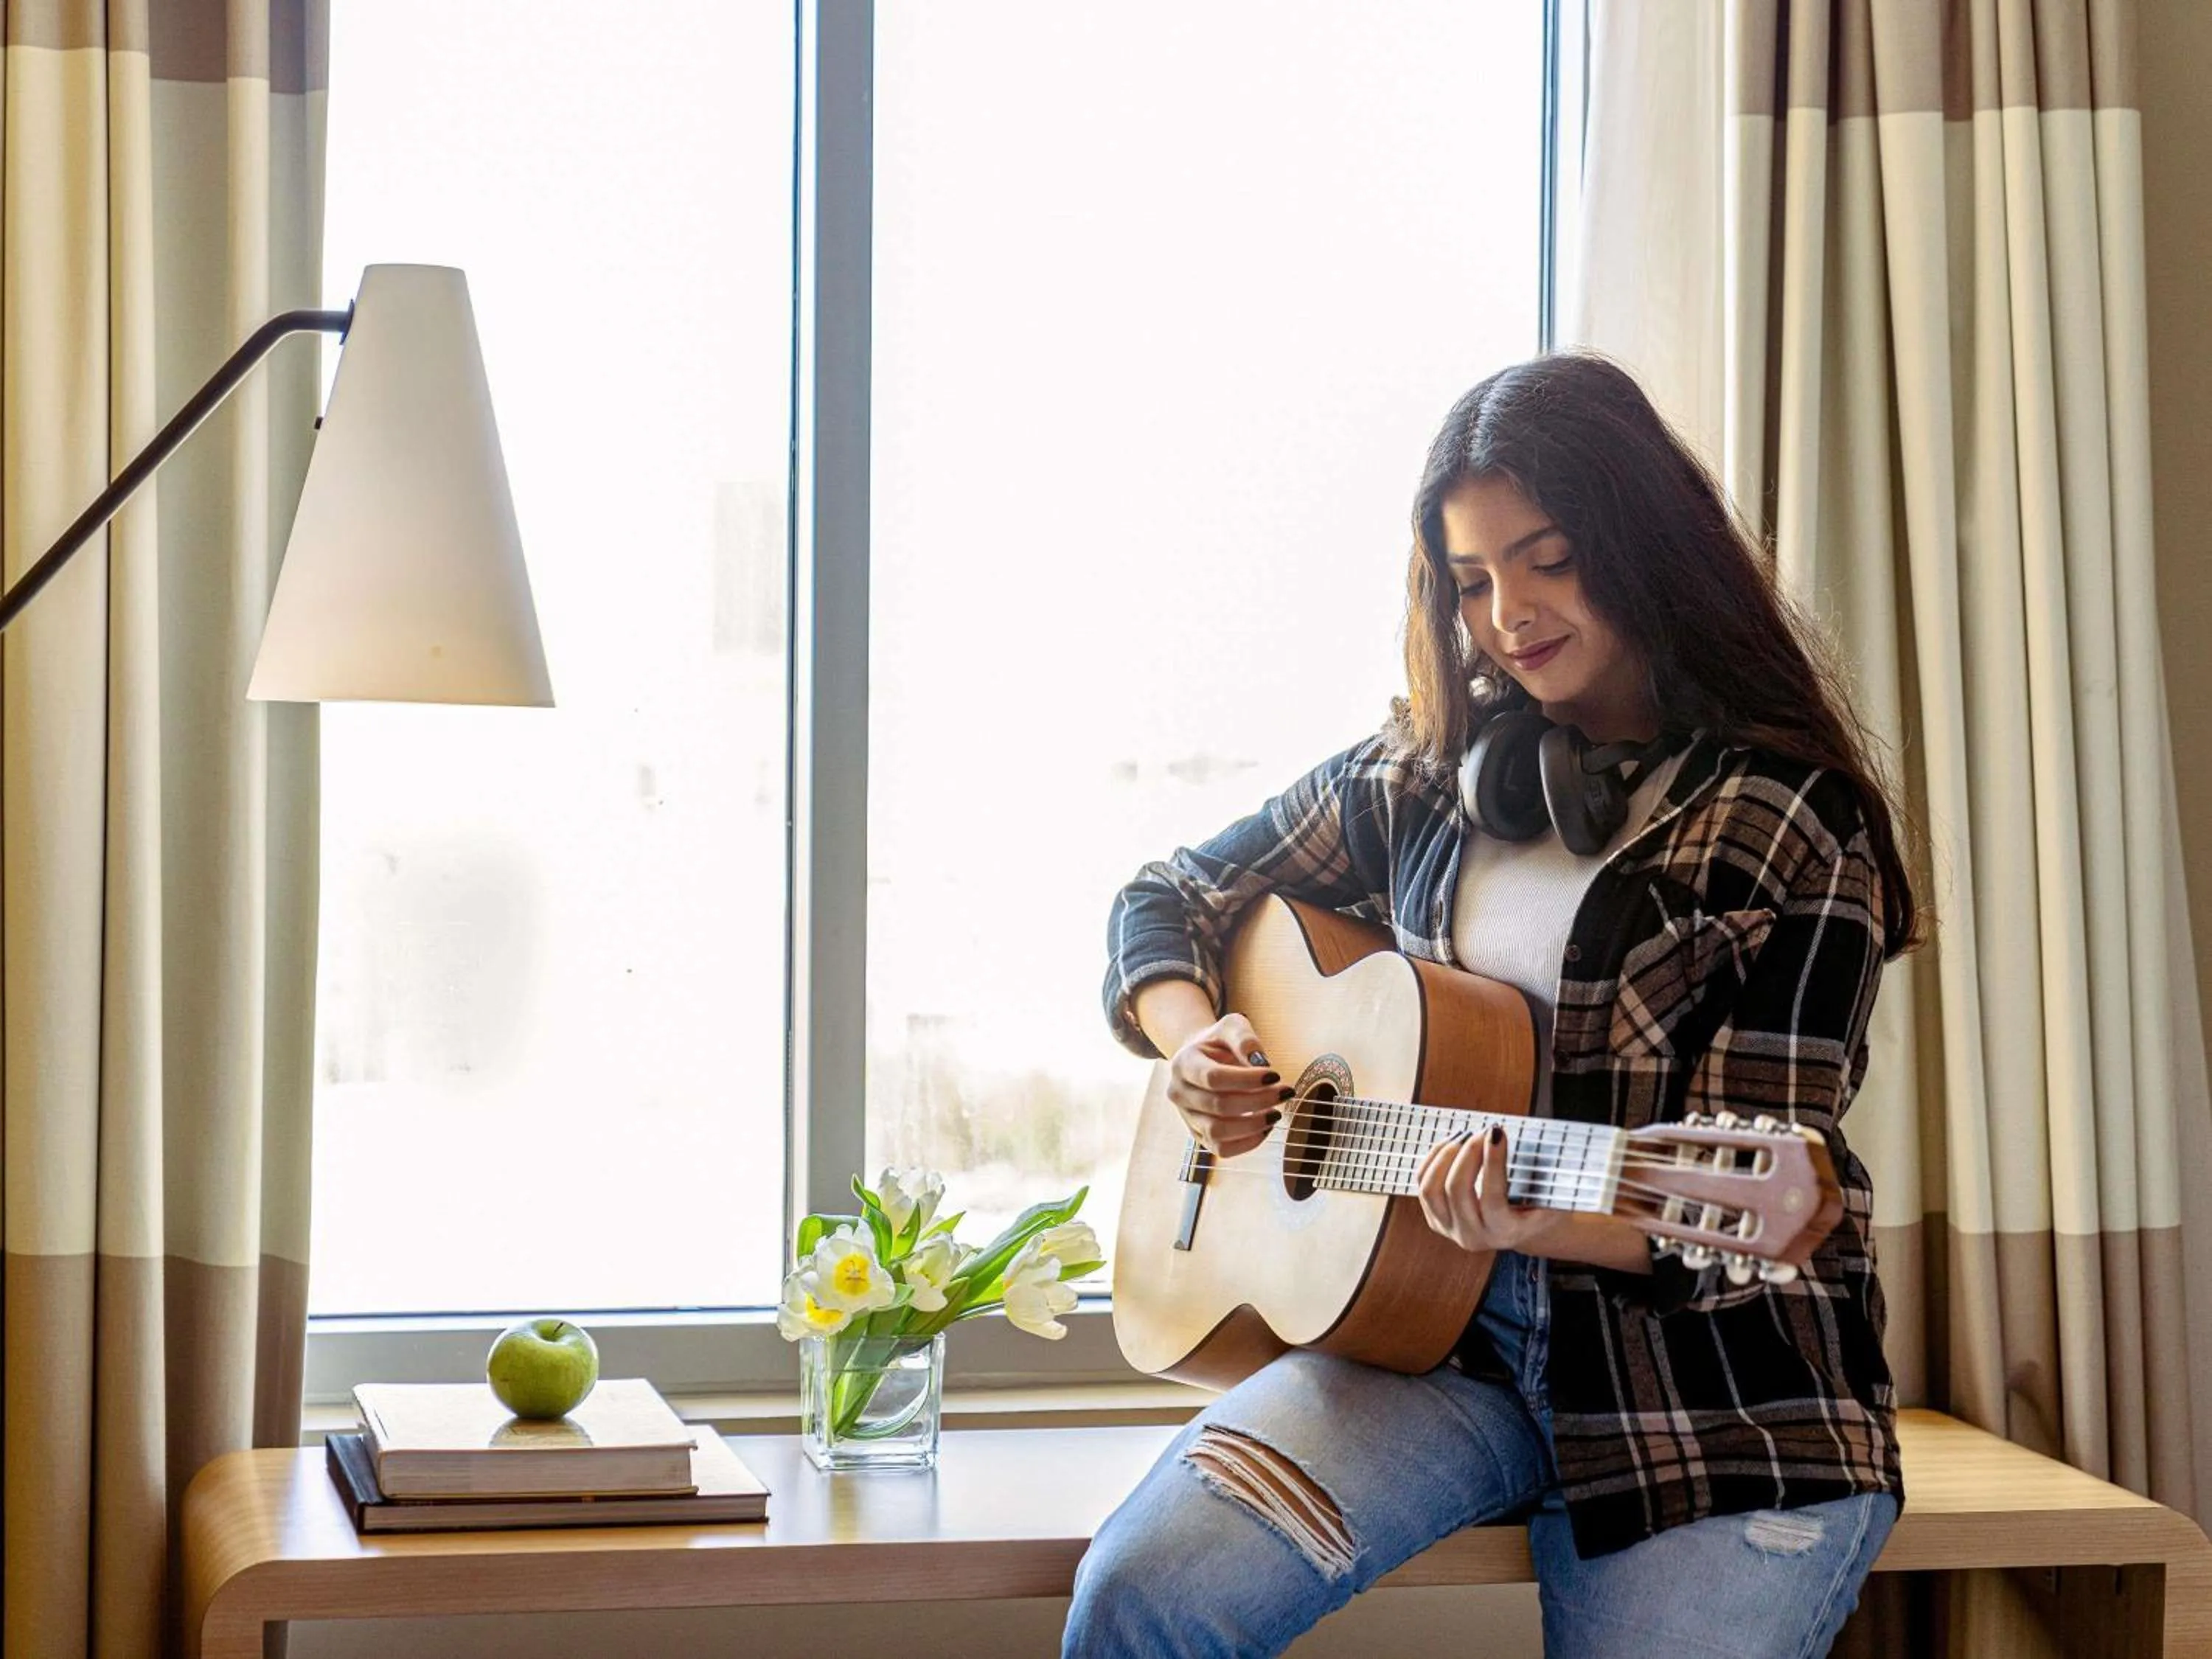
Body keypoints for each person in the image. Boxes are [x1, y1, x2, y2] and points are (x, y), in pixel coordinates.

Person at [1067, 352, 1919, 1659]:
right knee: (1148, 1598)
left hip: (1708, 1397)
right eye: (1470, 581)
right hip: (1425, 1347)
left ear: (1641, 546)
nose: (1506, 613)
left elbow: (1757, 1209)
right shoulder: (1422, 776)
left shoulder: (1791, 821)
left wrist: (1554, 1216)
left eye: (1548, 558)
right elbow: (1167, 894)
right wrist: (1201, 1044)